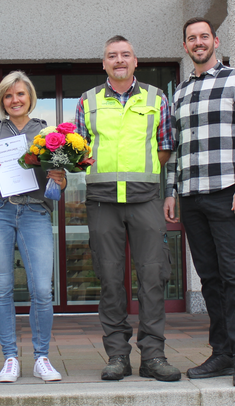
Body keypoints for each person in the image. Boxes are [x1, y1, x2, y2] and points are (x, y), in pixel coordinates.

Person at [163, 17, 235, 388]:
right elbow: (176, 149)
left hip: (227, 192)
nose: (198, 42)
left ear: (216, 41)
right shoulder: (180, 92)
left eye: (204, 36)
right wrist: (171, 191)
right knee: (210, 280)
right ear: (186, 46)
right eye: (191, 38)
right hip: (191, 197)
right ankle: (220, 353)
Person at [74, 36, 181, 382]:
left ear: (136, 61)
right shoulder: (86, 102)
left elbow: (165, 148)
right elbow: (78, 151)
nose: (119, 60)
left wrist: (151, 181)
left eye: (125, 55)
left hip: (145, 198)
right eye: (111, 56)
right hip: (102, 201)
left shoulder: (156, 98)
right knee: (109, 279)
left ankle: (153, 356)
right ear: (103, 64)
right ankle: (117, 355)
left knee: (152, 277)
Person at [0, 71, 67, 383]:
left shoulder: (48, 134)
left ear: (30, 98)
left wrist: (60, 180)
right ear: (2, 100)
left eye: (20, 94)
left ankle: (42, 357)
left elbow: (58, 182)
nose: (15, 100)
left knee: (42, 288)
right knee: (2, 288)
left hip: (34, 211)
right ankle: (10, 357)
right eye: (9, 95)